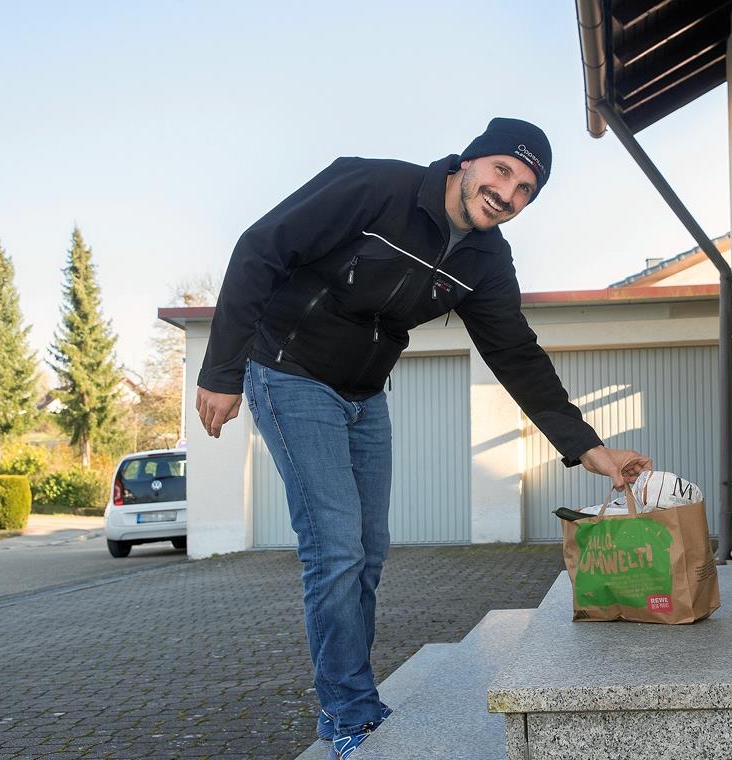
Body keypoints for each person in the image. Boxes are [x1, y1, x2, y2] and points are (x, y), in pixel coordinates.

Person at [194, 117, 651, 758]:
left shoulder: (486, 259)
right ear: (468, 162)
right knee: (335, 551)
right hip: (288, 373)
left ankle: (357, 698)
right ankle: (348, 716)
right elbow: (260, 248)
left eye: (525, 190)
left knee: (369, 551)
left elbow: (515, 354)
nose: (507, 193)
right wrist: (221, 371)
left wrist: (589, 447)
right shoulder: (373, 186)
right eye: (501, 171)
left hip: (364, 395)